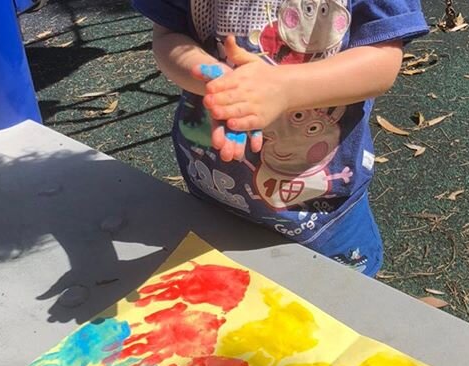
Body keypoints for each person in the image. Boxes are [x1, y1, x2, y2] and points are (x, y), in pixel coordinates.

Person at [132, 0, 428, 276]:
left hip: (322, 214)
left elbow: (381, 61)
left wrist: (285, 89)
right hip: (212, 190)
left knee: (339, 307)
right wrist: (218, 83)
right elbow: (168, 35)